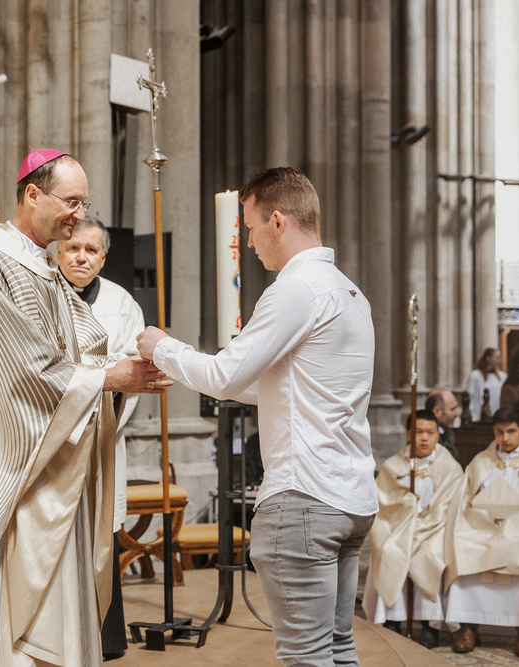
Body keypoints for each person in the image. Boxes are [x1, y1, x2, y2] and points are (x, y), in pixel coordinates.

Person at [0, 149, 171, 667]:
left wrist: (130, 364)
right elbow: (24, 373)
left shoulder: (42, 267)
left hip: (48, 464)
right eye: (71, 201)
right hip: (3, 468)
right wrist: (111, 377)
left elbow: (78, 348)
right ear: (33, 194)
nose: (79, 214)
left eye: (84, 202)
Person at [137, 167, 377, 666]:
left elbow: (226, 376)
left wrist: (163, 348)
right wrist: (191, 372)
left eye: (250, 228)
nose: (248, 243)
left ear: (278, 221)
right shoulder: (349, 291)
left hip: (304, 497)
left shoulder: (296, 288)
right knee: (337, 649)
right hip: (350, 496)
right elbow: (278, 387)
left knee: (306, 657)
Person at [57, 216, 145, 660]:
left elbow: (132, 373)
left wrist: (99, 402)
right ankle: (59, 640)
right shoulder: (42, 294)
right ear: (58, 250)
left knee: (100, 536)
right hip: (52, 441)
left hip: (102, 438)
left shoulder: (121, 302)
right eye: (73, 248)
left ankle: (105, 640)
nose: (81, 257)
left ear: (104, 257)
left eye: (91, 250)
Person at [444, 408, 519, 658]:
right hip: (482, 528)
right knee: (463, 547)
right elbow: (463, 501)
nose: (505, 438)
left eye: (511, 431)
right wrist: (482, 520)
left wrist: (512, 526)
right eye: (499, 432)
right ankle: (467, 628)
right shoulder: (481, 461)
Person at [362, 410, 463, 649]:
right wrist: (406, 503)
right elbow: (384, 505)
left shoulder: (450, 467)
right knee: (390, 552)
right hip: (398, 529)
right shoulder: (393, 466)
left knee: (429, 554)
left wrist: (423, 518)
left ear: (438, 435)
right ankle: (392, 619)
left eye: (430, 432)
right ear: (408, 434)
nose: (424, 438)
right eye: (418, 432)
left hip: (434, 528)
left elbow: (451, 505)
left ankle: (429, 625)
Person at [467, 347, 506, 423]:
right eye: (497, 358)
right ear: (488, 358)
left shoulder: (502, 376)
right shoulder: (476, 375)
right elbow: (471, 395)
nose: (500, 360)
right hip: (479, 414)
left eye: (500, 358)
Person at [426, 388, 460, 459]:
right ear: (437, 411)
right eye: (452, 409)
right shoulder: (427, 437)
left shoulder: (447, 431)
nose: (457, 413)